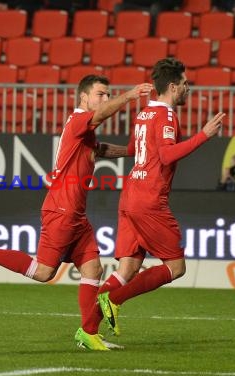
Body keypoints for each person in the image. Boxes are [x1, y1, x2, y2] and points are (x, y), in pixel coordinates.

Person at [0, 75, 153, 351]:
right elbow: (103, 115)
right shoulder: (80, 119)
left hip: (76, 214)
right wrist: (128, 96)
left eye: (107, 95)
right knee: (44, 272)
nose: (105, 99)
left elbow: (99, 149)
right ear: (84, 97)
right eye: (101, 94)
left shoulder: (85, 130)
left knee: (93, 267)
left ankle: (88, 333)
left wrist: (132, 151)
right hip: (61, 210)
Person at [85, 58, 225, 345]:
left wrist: (107, 151)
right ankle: (115, 299)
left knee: (128, 270)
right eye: (185, 84)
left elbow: (139, 151)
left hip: (130, 195)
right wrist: (204, 135)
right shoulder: (167, 116)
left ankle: (87, 331)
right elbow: (166, 155)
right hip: (149, 200)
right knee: (176, 267)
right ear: (173, 87)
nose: (188, 88)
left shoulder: (145, 113)